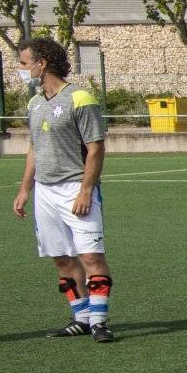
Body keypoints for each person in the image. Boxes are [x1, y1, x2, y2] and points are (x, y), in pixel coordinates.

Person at [13, 37, 115, 343]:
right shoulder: (34, 103)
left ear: (41, 64)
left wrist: (86, 189)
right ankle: (80, 317)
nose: (20, 69)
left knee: (91, 257)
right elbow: (33, 147)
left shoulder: (80, 98)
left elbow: (95, 149)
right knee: (60, 258)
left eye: (23, 63)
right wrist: (24, 189)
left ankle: (99, 321)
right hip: (45, 192)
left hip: (75, 187)